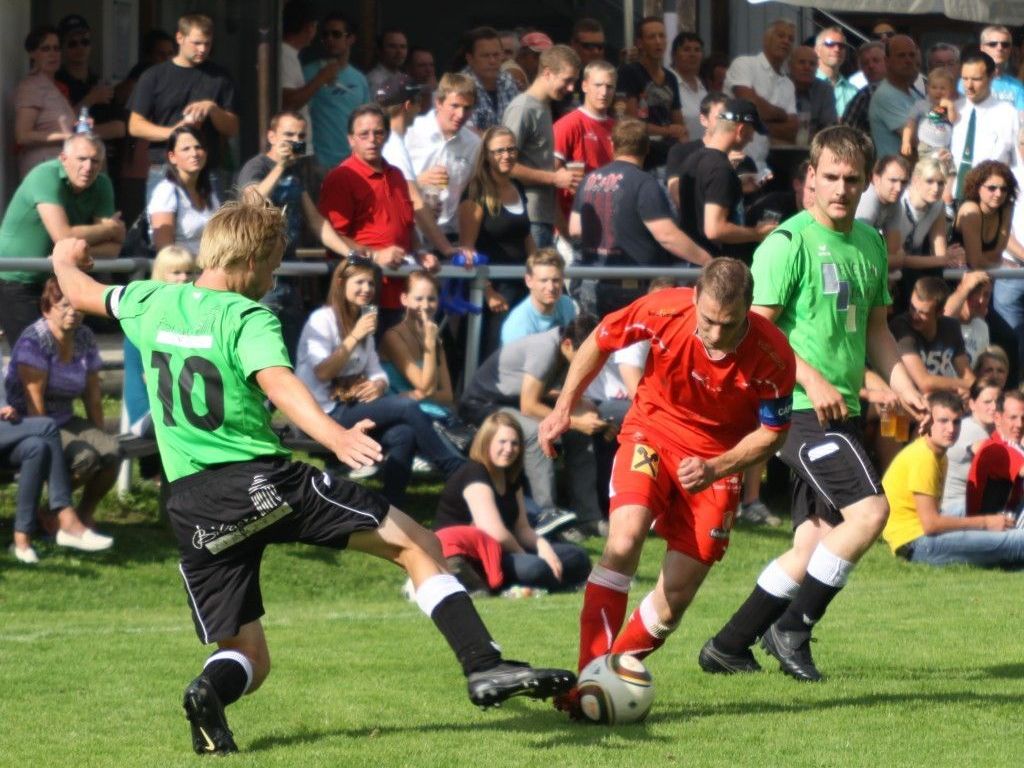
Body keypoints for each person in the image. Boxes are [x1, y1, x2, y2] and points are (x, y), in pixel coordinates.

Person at [50, 197, 574, 756]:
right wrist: (335, 436)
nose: (273, 280)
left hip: (190, 503)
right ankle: (483, 664)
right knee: (418, 544)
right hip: (261, 483)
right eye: (272, 267)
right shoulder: (246, 317)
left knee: (249, 655)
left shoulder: (152, 299)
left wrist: (62, 256)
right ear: (247, 261)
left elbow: (79, 292)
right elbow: (280, 382)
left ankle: (208, 692)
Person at [700, 126, 927, 682]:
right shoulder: (787, 243)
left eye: (852, 178)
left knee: (814, 542)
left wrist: (903, 383)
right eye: (830, 176)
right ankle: (793, 628)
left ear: (866, 181)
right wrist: (813, 380)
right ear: (811, 178)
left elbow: (876, 330)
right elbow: (754, 332)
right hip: (797, 406)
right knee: (870, 513)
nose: (841, 188)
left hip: (840, 409)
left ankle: (728, 645)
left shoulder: (871, 242)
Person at [537, 259, 796, 702]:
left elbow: (773, 434)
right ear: (694, 298)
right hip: (651, 433)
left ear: (750, 309)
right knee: (624, 541)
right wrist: (564, 408)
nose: (716, 334)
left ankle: (603, 682)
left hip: (715, 462)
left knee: (674, 599)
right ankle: (588, 679)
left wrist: (716, 468)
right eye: (708, 320)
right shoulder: (663, 309)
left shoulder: (773, 354)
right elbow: (600, 339)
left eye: (729, 324)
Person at [295, 258, 465, 507]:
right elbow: (322, 372)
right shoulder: (323, 320)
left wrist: (378, 386)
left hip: (350, 405)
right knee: (406, 407)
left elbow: (377, 372)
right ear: (341, 283)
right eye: (360, 282)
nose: (367, 289)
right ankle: (453, 467)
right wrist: (355, 336)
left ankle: (391, 506)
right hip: (322, 413)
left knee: (403, 434)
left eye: (371, 283)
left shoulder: (363, 319)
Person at [459, 317, 605, 536]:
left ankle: (589, 517)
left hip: (514, 401)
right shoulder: (544, 349)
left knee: (579, 436)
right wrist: (575, 422)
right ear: (567, 345)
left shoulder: (564, 347)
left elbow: (544, 392)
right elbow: (529, 406)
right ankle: (547, 516)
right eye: (586, 355)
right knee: (537, 433)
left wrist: (583, 407)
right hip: (483, 405)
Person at [237, 110, 360, 356]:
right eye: (289, 135)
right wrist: (280, 166)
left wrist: (350, 254)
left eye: (301, 136)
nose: (295, 141)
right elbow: (252, 203)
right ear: (271, 137)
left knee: (289, 355)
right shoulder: (257, 166)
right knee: (262, 354)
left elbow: (316, 221)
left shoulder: (296, 170)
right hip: (260, 275)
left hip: (290, 277)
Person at [6, 278, 120, 532]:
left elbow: (92, 395)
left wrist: (99, 433)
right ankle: (50, 513)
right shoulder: (34, 341)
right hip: (28, 420)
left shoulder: (84, 337)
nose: (73, 312)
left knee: (112, 452)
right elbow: (34, 405)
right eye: (64, 306)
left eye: (77, 306)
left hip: (64, 416)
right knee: (85, 458)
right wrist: (52, 451)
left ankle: (81, 514)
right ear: (47, 309)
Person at [435, 412, 591, 592]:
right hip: (472, 555)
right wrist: (523, 554)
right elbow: (494, 532)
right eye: (502, 442)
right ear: (486, 442)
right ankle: (554, 582)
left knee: (577, 556)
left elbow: (522, 528)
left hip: (505, 549)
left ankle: (551, 581)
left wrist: (544, 548)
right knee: (535, 568)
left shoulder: (511, 477)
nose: (509, 449)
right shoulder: (474, 474)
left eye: (514, 443)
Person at [570, 119, 710, 318]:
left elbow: (575, 229)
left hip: (592, 284)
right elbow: (667, 236)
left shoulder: (588, 180)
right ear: (647, 148)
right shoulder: (644, 183)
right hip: (631, 289)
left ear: (612, 145)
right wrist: (707, 260)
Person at [0, 134, 123, 348]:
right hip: (17, 278)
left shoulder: (102, 184)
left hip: (59, 281)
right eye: (82, 159)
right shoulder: (44, 176)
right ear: (63, 158)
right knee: (33, 354)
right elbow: (63, 236)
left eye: (95, 161)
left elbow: (113, 248)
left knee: (66, 354)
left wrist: (76, 250)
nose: (88, 167)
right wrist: (107, 228)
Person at [882, 391, 1024, 567]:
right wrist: (987, 523)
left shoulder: (938, 453)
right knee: (1017, 542)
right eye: (943, 421)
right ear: (927, 421)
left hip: (920, 533)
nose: (951, 429)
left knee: (984, 506)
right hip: (917, 542)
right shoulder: (924, 458)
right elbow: (931, 524)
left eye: (956, 422)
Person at [318, 104, 426, 334]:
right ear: (351, 140)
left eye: (378, 133)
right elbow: (332, 236)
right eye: (364, 134)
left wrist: (422, 253)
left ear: (386, 136)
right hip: (362, 295)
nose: (372, 140)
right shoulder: (342, 177)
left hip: (401, 294)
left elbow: (408, 226)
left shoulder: (396, 175)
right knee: (361, 355)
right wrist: (375, 256)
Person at [127, 13, 238, 199]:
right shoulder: (153, 76)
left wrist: (213, 109)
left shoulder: (220, 77)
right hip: (165, 168)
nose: (202, 49)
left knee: (211, 220)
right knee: (163, 219)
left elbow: (232, 128)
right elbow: (135, 126)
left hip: (207, 171)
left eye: (207, 44)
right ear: (179, 38)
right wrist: (174, 132)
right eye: (197, 43)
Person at [458, 126, 535, 357]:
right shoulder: (476, 192)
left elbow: (526, 236)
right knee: (490, 354)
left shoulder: (517, 186)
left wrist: (537, 271)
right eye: (499, 151)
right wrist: (488, 292)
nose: (506, 155)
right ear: (487, 155)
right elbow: (467, 249)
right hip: (493, 290)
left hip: (521, 285)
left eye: (511, 149)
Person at [675, 98, 775, 262]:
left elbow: (703, 198)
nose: (751, 139)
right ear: (741, 129)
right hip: (716, 266)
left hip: (694, 262)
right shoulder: (721, 168)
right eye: (752, 132)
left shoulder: (693, 160)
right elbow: (715, 229)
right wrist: (757, 233)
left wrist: (737, 186)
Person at [503, 44, 582, 247]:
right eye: (567, 80)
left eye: (574, 81)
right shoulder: (523, 108)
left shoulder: (544, 106)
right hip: (528, 219)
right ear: (547, 73)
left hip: (543, 218)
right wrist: (555, 178)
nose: (571, 88)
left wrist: (561, 226)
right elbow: (503, 165)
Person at [122, 246, 196, 456]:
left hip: (179, 407)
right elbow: (156, 379)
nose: (184, 278)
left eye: (189, 272)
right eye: (176, 272)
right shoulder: (146, 318)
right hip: (148, 412)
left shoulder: (190, 315)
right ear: (161, 275)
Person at [404, 73, 482, 240]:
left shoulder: (474, 144)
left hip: (452, 234)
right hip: (413, 232)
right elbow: (385, 186)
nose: (460, 114)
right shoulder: (410, 133)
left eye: (467, 108)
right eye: (455, 106)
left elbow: (474, 194)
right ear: (438, 103)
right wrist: (418, 181)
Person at [379, 271, 456, 428]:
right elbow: (425, 386)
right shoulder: (393, 337)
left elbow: (448, 395)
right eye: (419, 299)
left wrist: (417, 395)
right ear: (404, 299)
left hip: (436, 415)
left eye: (431, 299)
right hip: (405, 418)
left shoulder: (434, 338)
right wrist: (430, 343)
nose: (425, 305)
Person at [724, 19, 798, 173]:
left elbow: (792, 130)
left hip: (760, 166)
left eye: (791, 39)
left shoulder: (788, 84)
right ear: (766, 39)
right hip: (729, 162)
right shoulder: (744, 64)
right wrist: (781, 115)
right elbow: (750, 106)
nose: (786, 41)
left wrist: (755, 122)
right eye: (781, 35)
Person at [618, 16, 687, 169]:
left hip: (669, 157)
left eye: (662, 36)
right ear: (639, 43)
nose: (658, 42)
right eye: (651, 37)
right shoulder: (630, 72)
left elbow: (679, 122)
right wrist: (667, 131)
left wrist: (682, 137)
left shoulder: (671, 78)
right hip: (643, 154)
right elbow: (631, 122)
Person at [303, 12, 369, 169]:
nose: (330, 39)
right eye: (325, 35)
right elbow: (296, 114)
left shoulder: (359, 79)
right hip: (317, 162)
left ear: (351, 39)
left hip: (352, 163)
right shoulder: (308, 72)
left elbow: (367, 121)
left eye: (336, 34)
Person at [553, 60, 616, 223]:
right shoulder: (568, 124)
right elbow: (551, 174)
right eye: (598, 85)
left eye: (609, 86)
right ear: (584, 86)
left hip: (608, 218)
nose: (604, 92)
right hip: (574, 218)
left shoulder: (617, 128)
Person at [951, 49, 1019, 201]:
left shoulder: (1008, 114)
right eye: (965, 78)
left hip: (990, 199)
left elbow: (1017, 162)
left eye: (976, 79)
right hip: (951, 196)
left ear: (991, 76)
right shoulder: (953, 109)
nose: (969, 85)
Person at [890, 277, 975, 399]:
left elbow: (968, 376)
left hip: (943, 400)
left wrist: (968, 388)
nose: (915, 316)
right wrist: (966, 385)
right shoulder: (901, 326)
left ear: (940, 312)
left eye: (923, 313)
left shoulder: (951, 327)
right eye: (912, 308)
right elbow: (924, 383)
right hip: (909, 399)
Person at [892, 157, 959, 308]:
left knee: (937, 279)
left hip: (911, 268)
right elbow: (899, 260)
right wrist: (944, 259)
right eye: (930, 181)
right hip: (886, 269)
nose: (936, 188)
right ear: (915, 180)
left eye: (941, 183)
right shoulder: (898, 202)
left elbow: (940, 254)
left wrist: (951, 257)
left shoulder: (938, 205)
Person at [147, 125, 220, 256]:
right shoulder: (165, 192)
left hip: (210, 266)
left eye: (198, 147)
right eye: (186, 149)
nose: (194, 153)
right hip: (180, 267)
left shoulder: (210, 194)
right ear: (172, 157)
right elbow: (165, 253)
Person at [54, 14, 126, 147]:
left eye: (85, 42)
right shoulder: (56, 83)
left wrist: (81, 131)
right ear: (62, 48)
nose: (80, 47)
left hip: (103, 155)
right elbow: (61, 127)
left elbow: (119, 129)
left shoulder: (99, 84)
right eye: (72, 44)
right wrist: (90, 99)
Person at [14, 25, 76, 178]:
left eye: (56, 48)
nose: (53, 54)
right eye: (46, 49)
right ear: (32, 53)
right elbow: (22, 135)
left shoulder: (55, 87)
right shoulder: (31, 86)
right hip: (41, 168)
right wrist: (66, 136)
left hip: (59, 167)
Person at [279, 0, 335, 152]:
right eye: (315, 26)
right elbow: (290, 102)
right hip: (291, 146)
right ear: (309, 27)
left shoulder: (290, 54)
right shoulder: (284, 55)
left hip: (299, 145)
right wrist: (321, 78)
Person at [939, 377, 1000, 517]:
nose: (994, 407)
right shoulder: (970, 429)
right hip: (956, 508)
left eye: (998, 402)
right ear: (972, 404)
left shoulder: (986, 430)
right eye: (987, 402)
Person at [967, 390, 1024, 517]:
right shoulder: (997, 449)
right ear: (997, 418)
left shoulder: (1010, 444)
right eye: (1013, 418)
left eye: (1023, 418)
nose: (1020, 424)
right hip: (987, 526)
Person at [501, 249, 575, 345]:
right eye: (543, 281)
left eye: (556, 280)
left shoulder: (567, 304)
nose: (551, 287)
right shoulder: (517, 326)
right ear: (529, 281)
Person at [952, 160, 1016, 269]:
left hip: (986, 271)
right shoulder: (970, 210)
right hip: (955, 273)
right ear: (977, 188)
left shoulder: (1007, 208)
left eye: (1004, 189)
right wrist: (1002, 265)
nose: (998, 194)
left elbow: (997, 254)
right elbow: (975, 263)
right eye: (992, 188)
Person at [869, 35, 923, 160]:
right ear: (887, 61)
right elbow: (915, 140)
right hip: (896, 171)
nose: (908, 60)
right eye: (901, 55)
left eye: (912, 55)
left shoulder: (915, 94)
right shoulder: (886, 95)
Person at [854, 154, 910, 269]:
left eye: (904, 182)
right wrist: (895, 260)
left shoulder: (895, 203)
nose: (899, 188)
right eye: (893, 180)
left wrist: (895, 260)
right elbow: (860, 255)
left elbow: (893, 250)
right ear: (876, 179)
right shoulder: (868, 199)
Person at [461, 27, 520, 132]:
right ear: (470, 58)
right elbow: (467, 134)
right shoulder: (460, 87)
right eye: (485, 56)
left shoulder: (508, 81)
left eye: (496, 55)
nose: (492, 61)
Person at [900, 67, 957, 172]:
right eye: (934, 87)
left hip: (945, 148)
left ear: (951, 91)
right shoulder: (922, 105)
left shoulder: (951, 107)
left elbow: (954, 121)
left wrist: (950, 107)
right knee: (928, 171)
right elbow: (910, 122)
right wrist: (906, 141)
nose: (938, 91)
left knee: (948, 173)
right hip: (927, 146)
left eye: (943, 88)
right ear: (927, 88)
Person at [839, 41, 887, 137]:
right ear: (861, 69)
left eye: (876, 60)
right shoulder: (865, 94)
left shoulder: (905, 88)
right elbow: (845, 131)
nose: (871, 66)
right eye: (865, 63)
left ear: (887, 62)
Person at [944, 271, 992, 364]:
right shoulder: (946, 323)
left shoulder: (982, 327)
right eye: (975, 292)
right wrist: (965, 287)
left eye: (986, 295)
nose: (981, 300)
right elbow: (945, 316)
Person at [790, 46, 838, 139]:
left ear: (817, 68)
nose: (807, 67)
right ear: (790, 66)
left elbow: (829, 130)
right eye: (801, 62)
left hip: (814, 146)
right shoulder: (780, 86)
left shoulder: (825, 90)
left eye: (812, 64)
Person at [669, 32, 708, 142]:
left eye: (697, 50)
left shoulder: (702, 86)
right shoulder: (668, 83)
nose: (692, 54)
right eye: (686, 49)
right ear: (674, 55)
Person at [976, 26, 1024, 109]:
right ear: (982, 48)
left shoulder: (1017, 85)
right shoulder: (965, 82)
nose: (999, 48)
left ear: (1010, 50)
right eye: (993, 44)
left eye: (1005, 45)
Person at [815, 27, 857, 118]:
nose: (837, 49)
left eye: (841, 46)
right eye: (830, 44)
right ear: (817, 50)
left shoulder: (853, 91)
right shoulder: (807, 84)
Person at [367, 28, 409, 96]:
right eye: (393, 47)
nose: (399, 51)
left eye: (403, 47)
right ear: (379, 50)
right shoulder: (375, 81)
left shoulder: (404, 79)